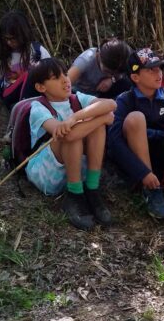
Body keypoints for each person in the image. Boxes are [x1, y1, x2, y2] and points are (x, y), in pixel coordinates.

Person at [107, 48, 164, 234]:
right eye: (150, 70)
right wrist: (143, 173)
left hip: (163, 152)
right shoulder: (125, 100)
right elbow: (114, 141)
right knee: (136, 118)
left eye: (158, 68)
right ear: (135, 77)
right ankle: (151, 189)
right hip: (137, 158)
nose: (158, 73)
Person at [24, 58, 116, 230]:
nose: (65, 80)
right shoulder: (38, 107)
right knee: (72, 134)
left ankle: (92, 189)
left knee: (94, 126)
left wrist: (75, 117)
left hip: (76, 169)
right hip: (47, 173)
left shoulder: (77, 98)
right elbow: (67, 135)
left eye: (65, 74)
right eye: (56, 78)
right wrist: (103, 118)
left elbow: (111, 104)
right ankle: (75, 195)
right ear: (41, 87)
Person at [0, 10, 51, 122]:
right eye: (6, 39)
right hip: (11, 94)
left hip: (36, 94)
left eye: (13, 39)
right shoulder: (1, 54)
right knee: (29, 74)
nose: (9, 42)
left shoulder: (38, 52)